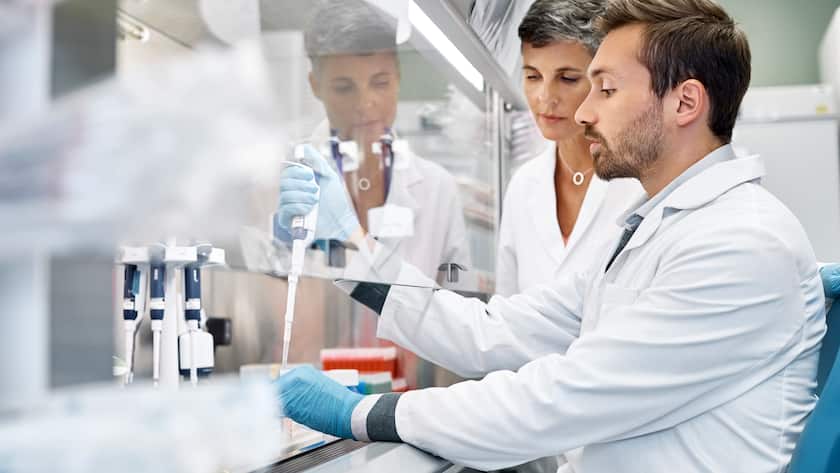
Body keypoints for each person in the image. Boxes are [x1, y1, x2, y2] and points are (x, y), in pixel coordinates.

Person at [276, 0, 828, 471]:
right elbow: (495, 331)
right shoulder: (652, 230)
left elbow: (561, 399)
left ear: (685, 102)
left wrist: (363, 415)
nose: (582, 113)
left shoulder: (741, 244)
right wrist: (347, 246)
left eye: (604, 89)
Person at [496, 0, 642, 297]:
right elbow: (505, 309)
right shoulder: (523, 185)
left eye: (567, 78)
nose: (544, 97)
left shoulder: (640, 184)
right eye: (532, 76)